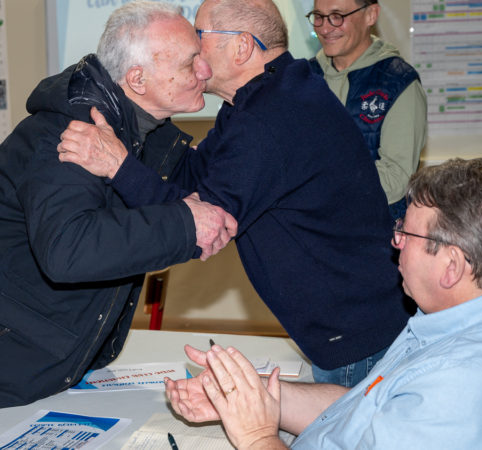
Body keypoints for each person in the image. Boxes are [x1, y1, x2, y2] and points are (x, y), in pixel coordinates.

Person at [0, 1, 238, 429]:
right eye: (189, 62)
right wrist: (185, 224)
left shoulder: (150, 136)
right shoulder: (70, 134)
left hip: (26, 360)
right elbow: (69, 249)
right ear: (137, 79)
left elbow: (191, 202)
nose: (205, 70)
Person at [58, 0, 410, 387]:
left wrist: (118, 166)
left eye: (200, 36)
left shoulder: (268, 120)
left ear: (242, 46)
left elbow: (204, 227)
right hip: (358, 323)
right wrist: (150, 107)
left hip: (359, 341)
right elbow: (193, 176)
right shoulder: (272, 93)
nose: (191, 47)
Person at [166, 158, 482, 449]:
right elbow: (366, 408)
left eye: (405, 233)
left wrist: (256, 436)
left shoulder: (462, 386)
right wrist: (254, 396)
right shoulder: (467, 318)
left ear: (451, 266)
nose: (395, 242)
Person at [307, 0, 427, 222]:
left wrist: (316, 183)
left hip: (373, 231)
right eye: (318, 16)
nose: (325, 28)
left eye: (337, 16)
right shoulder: (303, 78)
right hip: (311, 229)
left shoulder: (399, 83)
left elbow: (396, 179)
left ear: (371, 15)